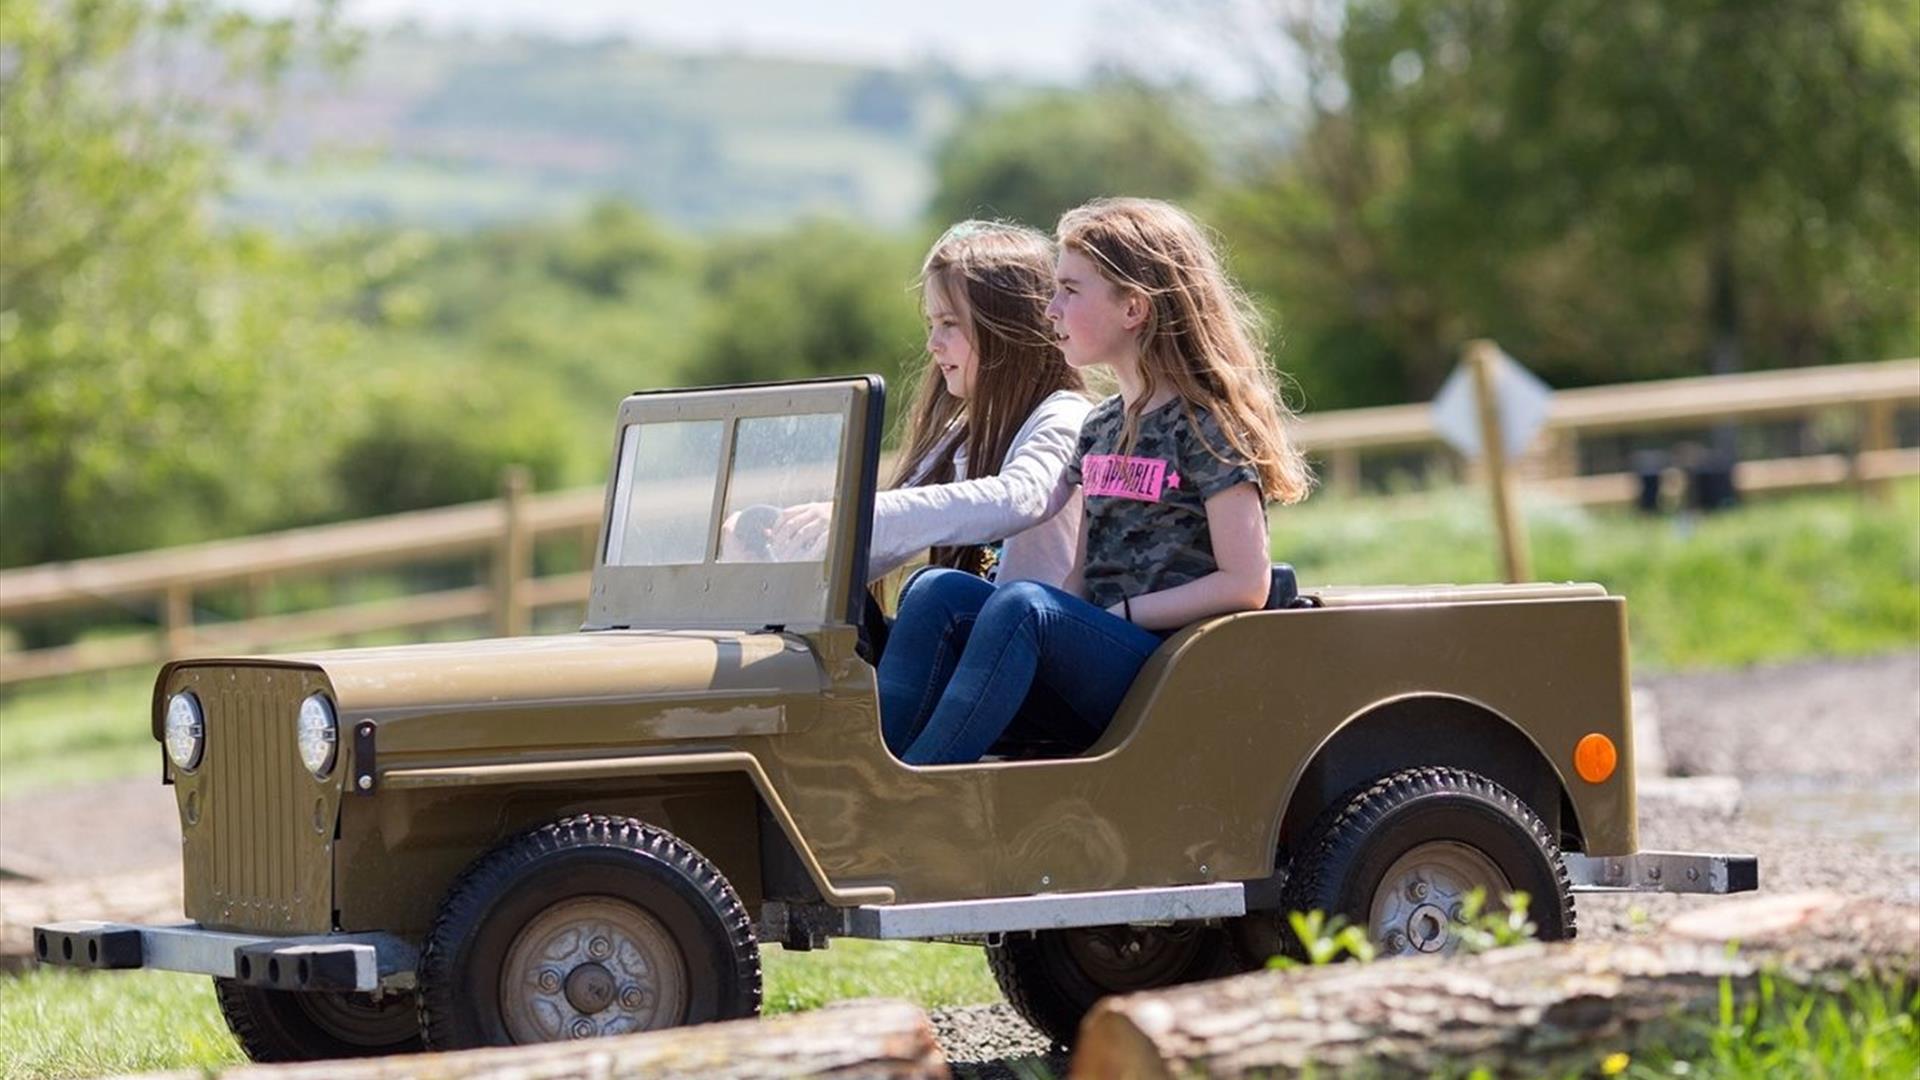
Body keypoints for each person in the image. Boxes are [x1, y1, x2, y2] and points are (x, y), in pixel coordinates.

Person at [879, 197, 1314, 766]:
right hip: (1102, 657)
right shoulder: (1101, 426)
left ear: (1133, 307)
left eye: (1069, 291)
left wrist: (1123, 615)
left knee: (1024, 606)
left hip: (1170, 669)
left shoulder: (1208, 426)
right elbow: (1079, 575)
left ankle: (914, 791)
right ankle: (870, 769)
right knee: (938, 589)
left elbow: (1246, 584)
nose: (1050, 309)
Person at [767, 221, 1092, 587]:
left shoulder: (1065, 416)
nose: (933, 344)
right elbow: (886, 541)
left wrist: (860, 514)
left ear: (1007, 330)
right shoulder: (958, 437)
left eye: (950, 323)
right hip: (973, 630)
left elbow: (1021, 498)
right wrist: (780, 550)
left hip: (1030, 637)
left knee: (933, 588)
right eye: (932, 325)